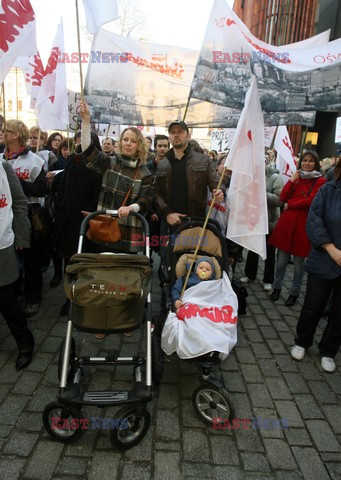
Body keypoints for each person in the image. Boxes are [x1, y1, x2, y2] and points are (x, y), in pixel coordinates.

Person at [78, 99, 154, 253]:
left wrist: (131, 207)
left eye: (133, 141)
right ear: (120, 142)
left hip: (129, 228)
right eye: (125, 139)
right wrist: (86, 121)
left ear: (139, 145)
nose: (128, 143)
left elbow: (146, 199)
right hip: (104, 225)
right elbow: (87, 150)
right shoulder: (109, 162)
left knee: (123, 272)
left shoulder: (145, 173)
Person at [290, 160, 341, 373]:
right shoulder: (328, 190)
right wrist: (331, 249)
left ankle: (328, 351)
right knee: (313, 305)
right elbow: (314, 220)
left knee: (340, 312)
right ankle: (302, 341)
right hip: (323, 258)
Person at [1, 120, 47, 317]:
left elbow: (41, 189)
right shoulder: (1, 158)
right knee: (10, 259)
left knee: (30, 259)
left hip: (28, 213)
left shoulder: (34, 161)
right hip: (4, 215)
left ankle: (33, 297)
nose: (2, 132)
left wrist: (15, 182)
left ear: (17, 135)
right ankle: (14, 293)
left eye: (7, 130)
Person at [269, 150, 325, 306]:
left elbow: (311, 201)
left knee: (299, 265)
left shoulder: (320, 181)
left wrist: (291, 204)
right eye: (304, 160)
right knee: (281, 261)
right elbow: (282, 198)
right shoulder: (296, 177)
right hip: (287, 224)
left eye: (310, 161)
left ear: (316, 163)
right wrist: (291, 181)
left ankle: (294, 292)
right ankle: (277, 288)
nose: (307, 163)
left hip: (303, 226)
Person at [155, 120, 224, 229]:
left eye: (180, 131)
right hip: (169, 223)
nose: (176, 135)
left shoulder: (204, 160)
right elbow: (156, 192)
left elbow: (216, 182)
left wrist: (219, 190)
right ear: (169, 137)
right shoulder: (162, 163)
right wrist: (167, 213)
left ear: (188, 135)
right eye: (172, 132)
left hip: (196, 222)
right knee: (168, 246)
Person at [0, 159, 34, 370]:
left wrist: (21, 235)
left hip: (2, 244)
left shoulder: (3, 168)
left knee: (5, 299)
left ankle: (25, 343)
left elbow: (20, 202)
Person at [240, 161, 284, 291]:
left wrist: (260, 194)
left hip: (269, 222)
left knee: (269, 252)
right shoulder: (251, 177)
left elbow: (279, 200)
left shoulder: (275, 178)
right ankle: (249, 275)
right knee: (253, 249)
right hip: (254, 220)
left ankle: (268, 280)